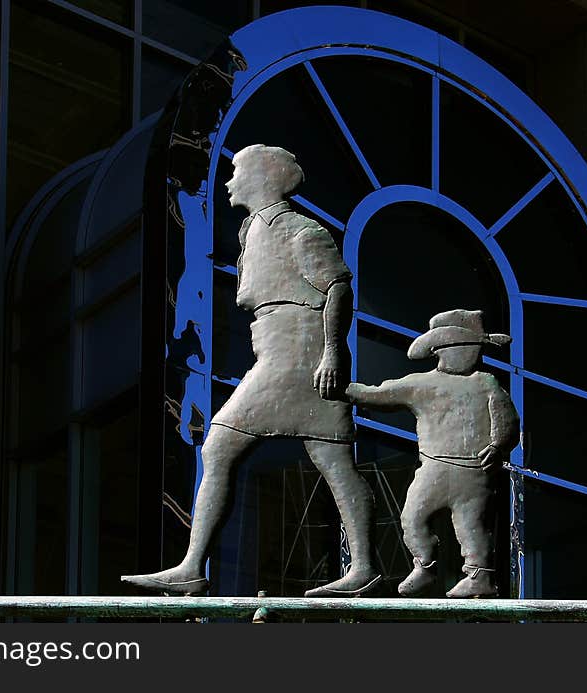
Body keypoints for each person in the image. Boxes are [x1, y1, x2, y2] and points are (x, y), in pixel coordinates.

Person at [122, 144, 380, 597]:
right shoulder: (254, 230)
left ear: (262, 177)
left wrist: (333, 353)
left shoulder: (299, 230)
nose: (228, 182)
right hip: (277, 347)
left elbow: (338, 289)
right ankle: (363, 565)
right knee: (333, 461)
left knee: (220, 446)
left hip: (296, 355)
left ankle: (192, 565)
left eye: (236, 171)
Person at [335, 309, 519, 598]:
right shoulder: (421, 384)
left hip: (474, 473)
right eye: (462, 348)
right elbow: (377, 393)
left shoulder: (486, 383)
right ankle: (424, 565)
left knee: (472, 527)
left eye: (473, 349)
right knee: (412, 517)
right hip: (433, 468)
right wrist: (342, 389)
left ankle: (479, 576)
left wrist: (497, 445)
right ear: (440, 350)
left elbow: (506, 420)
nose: (469, 354)